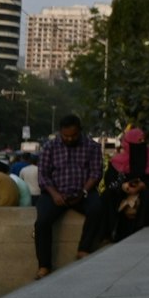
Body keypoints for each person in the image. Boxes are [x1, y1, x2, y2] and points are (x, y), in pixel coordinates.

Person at [33, 115, 102, 278]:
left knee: (97, 209)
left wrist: (84, 192)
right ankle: (44, 266)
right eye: (66, 136)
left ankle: (84, 249)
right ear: (60, 132)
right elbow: (43, 175)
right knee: (42, 222)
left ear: (79, 131)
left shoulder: (92, 146)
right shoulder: (50, 147)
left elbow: (96, 173)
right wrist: (55, 194)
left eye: (73, 136)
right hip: (55, 193)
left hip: (83, 192)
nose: (69, 139)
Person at [78, 127, 149, 253]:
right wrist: (123, 187)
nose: (139, 146)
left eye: (142, 142)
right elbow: (110, 182)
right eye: (136, 142)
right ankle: (106, 235)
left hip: (144, 194)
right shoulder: (118, 161)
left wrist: (142, 186)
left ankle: (138, 233)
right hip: (121, 196)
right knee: (107, 196)